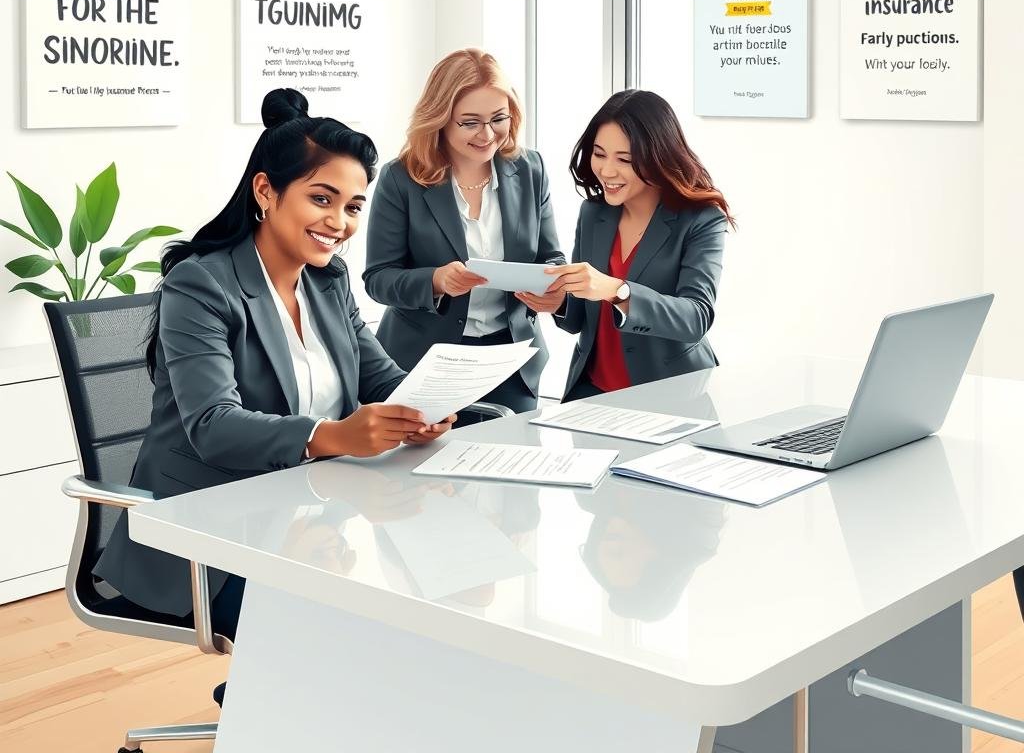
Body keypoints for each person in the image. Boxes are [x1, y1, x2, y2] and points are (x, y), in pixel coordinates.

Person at [95, 88, 452, 661]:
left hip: (317, 511)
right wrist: (331, 436)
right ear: (266, 191)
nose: (339, 222)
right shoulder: (201, 286)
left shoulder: (328, 282)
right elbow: (213, 424)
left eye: (354, 207)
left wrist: (424, 405)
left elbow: (379, 378)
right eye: (322, 199)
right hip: (214, 532)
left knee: (428, 586)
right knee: (364, 631)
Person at [363, 48, 564, 413]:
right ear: (440, 119)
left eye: (498, 118)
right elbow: (378, 278)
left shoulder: (530, 168)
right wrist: (436, 281)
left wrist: (553, 293)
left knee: (512, 462)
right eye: (469, 122)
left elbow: (551, 257)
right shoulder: (401, 178)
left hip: (510, 359)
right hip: (424, 361)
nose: (487, 134)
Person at [540, 89, 733, 401]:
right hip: (592, 396)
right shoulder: (594, 213)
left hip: (672, 397)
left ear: (658, 158)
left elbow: (696, 318)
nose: (606, 171)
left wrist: (619, 291)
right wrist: (558, 303)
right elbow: (578, 318)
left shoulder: (701, 220)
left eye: (625, 160)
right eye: (599, 154)